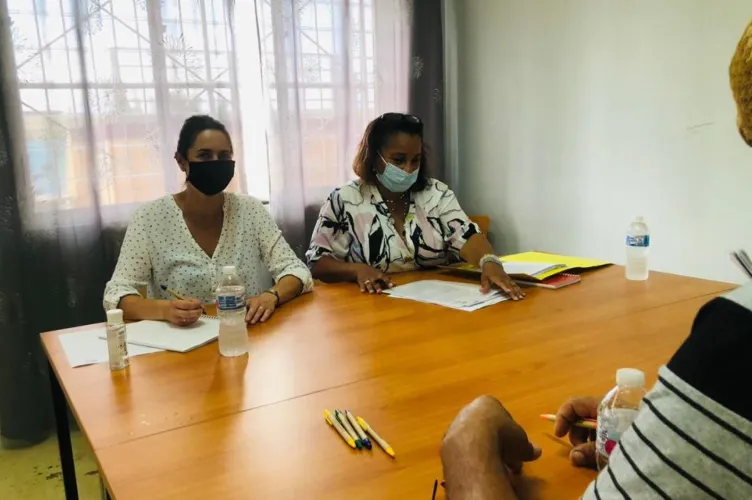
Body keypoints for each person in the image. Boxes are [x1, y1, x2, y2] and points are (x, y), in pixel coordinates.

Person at [439, 20, 752, 500]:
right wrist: (661, 435)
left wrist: (468, 444)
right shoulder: (345, 200)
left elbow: (468, 236)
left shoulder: (737, 342)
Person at [104, 115, 312, 325]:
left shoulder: (250, 210)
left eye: (224, 156)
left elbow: (296, 270)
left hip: (246, 331)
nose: (215, 163)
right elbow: (117, 293)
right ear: (181, 161)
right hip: (182, 337)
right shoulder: (149, 219)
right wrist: (165, 309)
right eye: (204, 156)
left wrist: (271, 296)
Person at [306, 113, 524, 299]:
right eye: (398, 160)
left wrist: (489, 262)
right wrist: (356, 270)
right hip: (370, 305)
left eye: (416, 160)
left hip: (437, 304)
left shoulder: (436, 193)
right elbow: (317, 262)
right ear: (374, 158)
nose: (409, 169)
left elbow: (466, 235)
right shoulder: (345, 199)